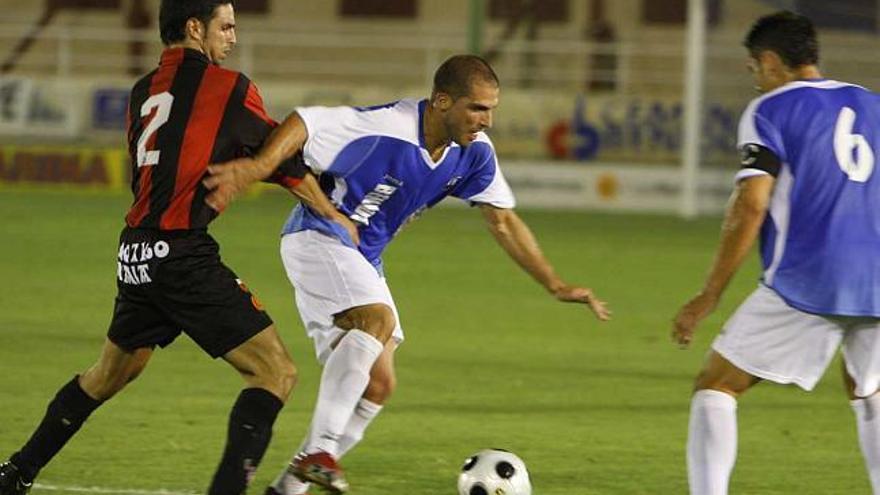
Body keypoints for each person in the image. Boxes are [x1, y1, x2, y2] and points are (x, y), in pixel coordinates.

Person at [203, 54, 611, 494]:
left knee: (379, 385)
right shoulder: (385, 126)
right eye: (477, 107)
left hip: (363, 258)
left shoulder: (473, 155)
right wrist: (260, 166)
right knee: (378, 321)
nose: (487, 120)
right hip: (316, 237)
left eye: (492, 109)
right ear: (441, 101)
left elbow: (503, 221)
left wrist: (554, 283)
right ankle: (319, 450)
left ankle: (286, 490)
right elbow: (306, 121)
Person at [0, 1, 354, 494]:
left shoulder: (142, 91)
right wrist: (332, 213)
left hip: (134, 255)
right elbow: (282, 160)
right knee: (274, 371)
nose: (232, 37)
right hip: (180, 254)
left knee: (106, 377)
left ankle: (16, 472)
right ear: (194, 27)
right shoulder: (229, 87)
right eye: (225, 27)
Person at [672, 11, 880, 495]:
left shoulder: (771, 110)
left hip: (809, 280)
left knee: (717, 383)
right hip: (877, 280)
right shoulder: (872, 105)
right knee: (868, 392)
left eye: (753, 70)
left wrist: (709, 295)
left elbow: (751, 206)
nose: (756, 81)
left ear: (768, 62)